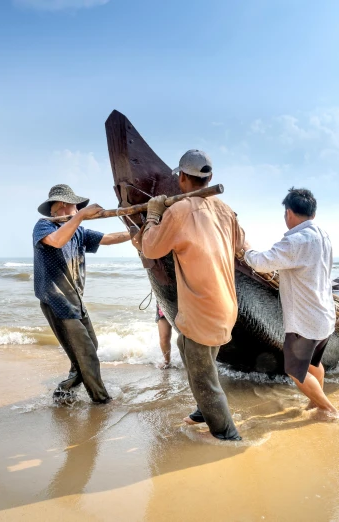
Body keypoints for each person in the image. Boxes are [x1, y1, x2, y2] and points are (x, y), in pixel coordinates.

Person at [140, 149, 244, 441]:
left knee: (204, 377)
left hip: (200, 309)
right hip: (225, 307)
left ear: (182, 178)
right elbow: (241, 243)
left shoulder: (178, 211)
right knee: (185, 345)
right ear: (209, 178)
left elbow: (151, 248)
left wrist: (153, 216)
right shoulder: (225, 210)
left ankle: (226, 435)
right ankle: (202, 410)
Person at [242, 188, 338, 417]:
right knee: (313, 364)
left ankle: (329, 410)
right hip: (324, 315)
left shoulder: (296, 241)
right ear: (313, 214)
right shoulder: (323, 236)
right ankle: (316, 403)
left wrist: (246, 248)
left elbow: (261, 262)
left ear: (288, 213)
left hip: (305, 321)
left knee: (295, 370)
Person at [33, 184, 131, 404]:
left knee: (90, 347)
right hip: (56, 300)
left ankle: (64, 392)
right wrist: (82, 216)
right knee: (86, 352)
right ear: (60, 208)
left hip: (74, 298)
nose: (77, 209)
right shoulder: (43, 226)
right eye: (74, 206)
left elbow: (109, 238)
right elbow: (57, 241)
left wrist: (138, 232)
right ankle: (101, 399)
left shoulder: (78, 231)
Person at [156, 304, 172, 369]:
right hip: (163, 304)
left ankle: (188, 361)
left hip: (183, 302)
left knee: (184, 337)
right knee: (164, 338)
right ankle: (167, 361)